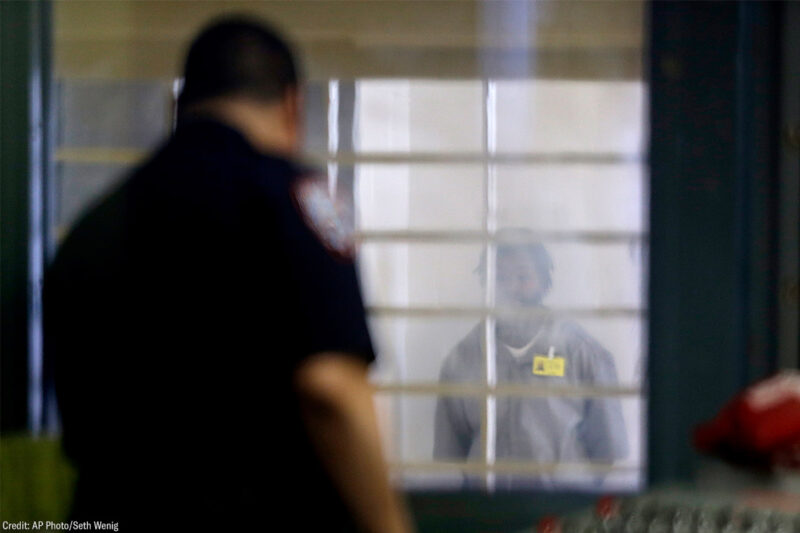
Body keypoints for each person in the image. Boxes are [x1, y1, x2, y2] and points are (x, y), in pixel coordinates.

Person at [44, 17, 413, 532]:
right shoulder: (294, 198)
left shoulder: (92, 228)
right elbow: (331, 387)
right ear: (293, 106)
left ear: (176, 109)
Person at [433, 228, 628, 489]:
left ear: (544, 281)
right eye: (499, 277)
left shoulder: (585, 354)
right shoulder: (461, 360)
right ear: (485, 283)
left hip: (562, 513)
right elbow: (453, 454)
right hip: (486, 515)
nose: (511, 287)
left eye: (524, 276)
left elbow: (607, 449)